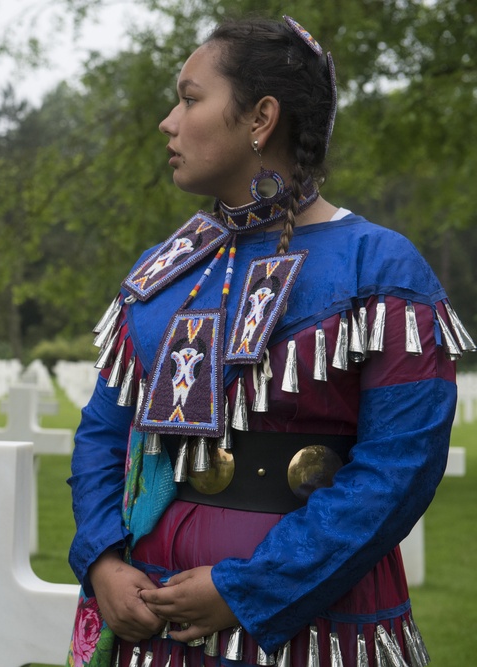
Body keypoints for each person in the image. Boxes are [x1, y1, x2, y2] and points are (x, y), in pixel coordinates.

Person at [66, 15, 465, 667]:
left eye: (190, 99)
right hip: (152, 621)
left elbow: (400, 467)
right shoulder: (163, 273)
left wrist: (252, 587)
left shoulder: (380, 268)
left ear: (261, 118)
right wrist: (104, 559)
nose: (168, 122)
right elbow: (105, 433)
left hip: (314, 621)